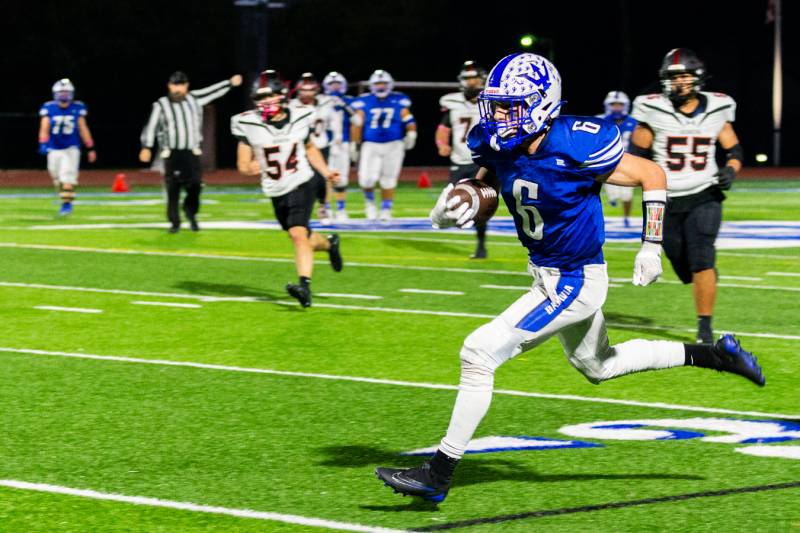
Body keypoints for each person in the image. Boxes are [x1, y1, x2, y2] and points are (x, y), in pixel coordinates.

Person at [375, 52, 763, 504]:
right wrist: (446, 210)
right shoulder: (498, 141)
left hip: (574, 280)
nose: (497, 115)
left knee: (478, 354)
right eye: (496, 105)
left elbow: (652, 173)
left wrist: (651, 244)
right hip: (547, 273)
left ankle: (438, 473)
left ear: (542, 104)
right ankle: (713, 356)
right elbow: (483, 182)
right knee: (599, 366)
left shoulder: (576, 143)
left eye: (509, 106)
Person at [629, 49, 743, 343]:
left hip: (704, 193)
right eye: (673, 77)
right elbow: (637, 154)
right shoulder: (651, 108)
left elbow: (734, 149)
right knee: (681, 262)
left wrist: (730, 170)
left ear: (697, 79)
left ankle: (705, 327)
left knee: (702, 256)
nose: (679, 82)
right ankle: (701, 278)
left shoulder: (719, 106)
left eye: (684, 76)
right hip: (662, 199)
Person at [231, 70, 343, 308]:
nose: (264, 102)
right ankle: (330, 244)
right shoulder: (247, 123)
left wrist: (325, 172)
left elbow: (310, 147)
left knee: (297, 233)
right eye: (260, 98)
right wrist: (262, 163)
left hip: (303, 181)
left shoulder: (301, 115)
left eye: (269, 96)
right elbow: (243, 165)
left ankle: (304, 286)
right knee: (306, 237)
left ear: (282, 95)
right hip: (275, 188)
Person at [140, 71, 242, 233]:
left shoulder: (195, 98)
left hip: (191, 152)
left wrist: (229, 83)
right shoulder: (161, 104)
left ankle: (190, 212)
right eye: (175, 85)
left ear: (186, 86)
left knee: (195, 185)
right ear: (169, 86)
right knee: (172, 188)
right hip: (171, 153)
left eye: (181, 85)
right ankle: (175, 223)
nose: (178, 89)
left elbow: (212, 91)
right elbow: (152, 125)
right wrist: (146, 146)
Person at [436, 61, 490, 258]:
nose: (470, 83)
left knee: (482, 204)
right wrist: (442, 143)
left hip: (482, 162)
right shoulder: (452, 102)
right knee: (453, 204)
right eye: (467, 79)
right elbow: (443, 128)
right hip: (458, 161)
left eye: (474, 78)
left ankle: (481, 246)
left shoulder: (491, 102)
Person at [350, 69, 417, 221]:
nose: (380, 86)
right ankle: (370, 203)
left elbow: (408, 118)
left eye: (383, 83)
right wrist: (354, 143)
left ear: (390, 84)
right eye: (378, 83)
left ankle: (386, 208)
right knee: (366, 179)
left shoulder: (399, 99)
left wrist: (412, 133)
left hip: (394, 144)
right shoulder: (364, 101)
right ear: (372, 85)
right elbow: (357, 123)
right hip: (371, 144)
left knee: (388, 179)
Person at [38, 78, 97, 216]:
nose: (64, 96)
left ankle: (66, 205)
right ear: (55, 94)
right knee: (57, 178)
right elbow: (44, 127)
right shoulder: (49, 107)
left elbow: (83, 128)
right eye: (61, 93)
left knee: (67, 177)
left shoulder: (77, 107)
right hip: (53, 149)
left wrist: (90, 147)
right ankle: (65, 198)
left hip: (71, 148)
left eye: (66, 93)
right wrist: (43, 142)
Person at [289, 73, 337, 225]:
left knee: (323, 178)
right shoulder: (291, 105)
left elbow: (334, 121)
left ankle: (324, 207)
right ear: (298, 90)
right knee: (300, 178)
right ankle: (299, 208)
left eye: (310, 90)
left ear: (316, 90)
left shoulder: (327, 102)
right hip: (300, 147)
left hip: (321, 144)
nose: (307, 94)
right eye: (304, 90)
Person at [322, 71, 359, 222]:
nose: (335, 87)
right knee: (327, 177)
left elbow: (357, 121)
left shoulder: (349, 101)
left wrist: (344, 106)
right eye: (332, 84)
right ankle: (326, 208)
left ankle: (341, 209)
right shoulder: (321, 102)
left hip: (343, 143)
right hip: (326, 143)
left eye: (337, 84)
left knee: (342, 179)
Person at [597, 90, 637, 227]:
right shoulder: (600, 121)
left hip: (628, 162)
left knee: (627, 195)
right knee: (612, 193)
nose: (617, 107)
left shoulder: (634, 122)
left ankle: (626, 218)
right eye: (613, 104)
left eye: (620, 104)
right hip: (607, 162)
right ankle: (612, 198)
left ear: (626, 105)